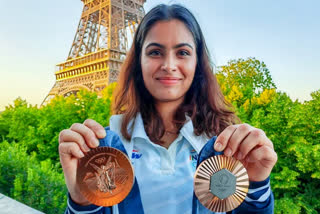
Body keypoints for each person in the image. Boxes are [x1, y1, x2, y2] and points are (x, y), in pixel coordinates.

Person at [59, 4, 277, 214]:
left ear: (197, 63)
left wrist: (256, 187)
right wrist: (83, 202)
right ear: (138, 62)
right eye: (155, 52)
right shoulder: (105, 149)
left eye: (182, 52)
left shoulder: (228, 146)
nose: (169, 65)